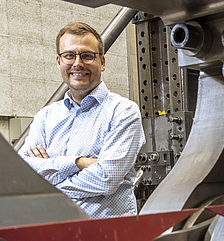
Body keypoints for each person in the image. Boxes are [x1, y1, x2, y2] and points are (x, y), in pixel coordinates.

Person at [20, 22, 145, 217]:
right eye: (69, 55)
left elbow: (106, 178)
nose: (77, 63)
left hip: (109, 237)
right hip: (54, 232)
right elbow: (23, 172)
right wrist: (78, 163)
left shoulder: (123, 111)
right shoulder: (45, 117)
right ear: (58, 61)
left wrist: (47, 187)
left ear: (102, 62)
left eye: (87, 55)